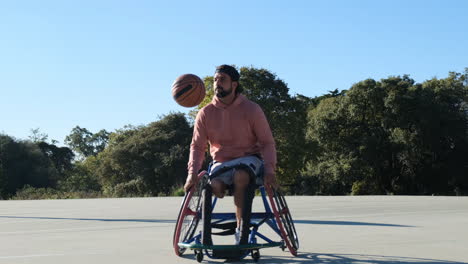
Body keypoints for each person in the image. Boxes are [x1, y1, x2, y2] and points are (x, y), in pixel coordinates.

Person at [184, 64, 277, 244]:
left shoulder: (251, 109)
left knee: (241, 176)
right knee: (214, 186)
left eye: (222, 80)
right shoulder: (205, 113)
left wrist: (270, 169)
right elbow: (197, 146)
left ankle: (241, 232)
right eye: (215, 80)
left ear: (234, 84)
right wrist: (191, 174)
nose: (217, 83)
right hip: (221, 162)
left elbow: (267, 142)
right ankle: (206, 237)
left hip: (249, 159)